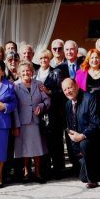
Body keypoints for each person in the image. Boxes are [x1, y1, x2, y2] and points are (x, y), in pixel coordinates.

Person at [12, 60, 50, 182]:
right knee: (24, 148)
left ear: (32, 72)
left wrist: (41, 106)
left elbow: (47, 101)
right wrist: (15, 125)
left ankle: (38, 173)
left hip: (36, 121)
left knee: (37, 148)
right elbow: (14, 107)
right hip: (22, 122)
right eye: (23, 71)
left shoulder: (38, 84)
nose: (26, 73)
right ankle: (26, 172)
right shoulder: (15, 86)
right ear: (18, 73)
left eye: (28, 70)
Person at [63, 77, 100, 188]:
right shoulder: (68, 104)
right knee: (82, 178)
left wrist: (82, 136)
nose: (67, 91)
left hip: (92, 138)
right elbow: (70, 127)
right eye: (65, 89)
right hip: (79, 142)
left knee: (84, 144)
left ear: (77, 86)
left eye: (69, 87)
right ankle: (92, 172)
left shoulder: (90, 98)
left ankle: (93, 180)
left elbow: (95, 123)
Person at [37, 47, 67, 179]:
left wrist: (49, 92)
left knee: (55, 142)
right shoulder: (35, 73)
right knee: (43, 142)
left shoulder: (57, 72)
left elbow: (62, 92)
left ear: (50, 59)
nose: (43, 60)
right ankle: (45, 170)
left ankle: (58, 169)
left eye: (46, 58)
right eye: (41, 58)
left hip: (53, 112)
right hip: (39, 113)